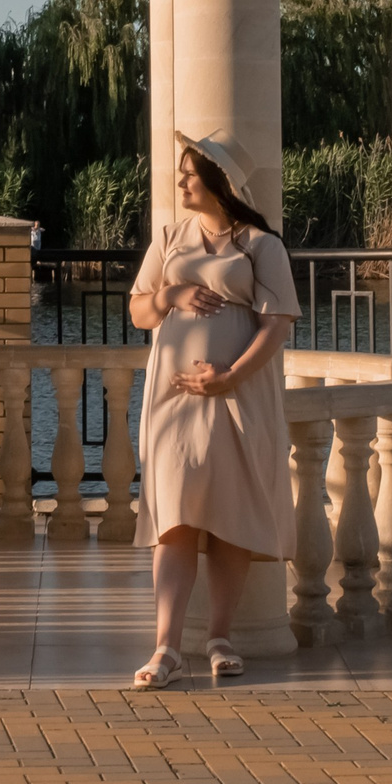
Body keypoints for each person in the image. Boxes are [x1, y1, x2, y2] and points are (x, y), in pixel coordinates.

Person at [122, 130, 299, 689]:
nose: (181, 182)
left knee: (228, 515)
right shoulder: (171, 237)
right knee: (174, 516)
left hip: (237, 395)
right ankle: (166, 648)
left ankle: (220, 637)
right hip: (174, 400)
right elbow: (138, 312)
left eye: (190, 174)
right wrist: (171, 296)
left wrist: (229, 377)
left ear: (220, 182)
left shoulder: (261, 245)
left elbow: (278, 325)